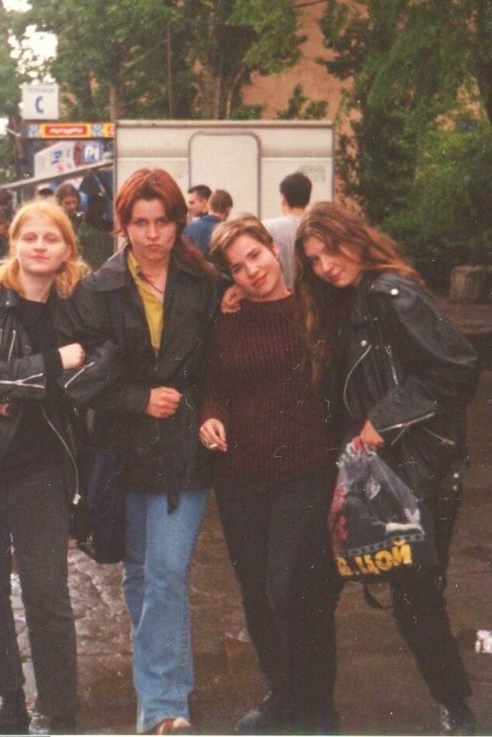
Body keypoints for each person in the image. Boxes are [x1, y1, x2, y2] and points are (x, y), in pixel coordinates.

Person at [294, 201, 479, 736]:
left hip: (409, 473)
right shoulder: (339, 301)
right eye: (314, 260)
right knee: (315, 586)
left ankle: (456, 709)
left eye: (332, 251)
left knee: (414, 595)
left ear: (355, 237)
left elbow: (458, 370)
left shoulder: (391, 295)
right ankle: (305, 708)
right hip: (360, 472)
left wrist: (385, 418)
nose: (326, 266)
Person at [61, 168, 219, 734]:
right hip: (122, 449)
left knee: (166, 573)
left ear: (179, 223)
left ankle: (162, 704)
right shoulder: (96, 290)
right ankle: (163, 680)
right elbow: (77, 380)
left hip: (184, 449)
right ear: (123, 225)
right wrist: (137, 398)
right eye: (140, 222)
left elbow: (218, 365)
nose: (152, 235)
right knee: (139, 572)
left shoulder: (206, 284)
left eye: (163, 222)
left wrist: (207, 411)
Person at [0, 199, 97, 736]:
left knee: (46, 594)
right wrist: (52, 365)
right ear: (13, 243)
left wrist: (13, 386)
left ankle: (59, 710)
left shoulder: (76, 308)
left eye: (50, 238)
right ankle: (9, 701)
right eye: (29, 236)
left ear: (67, 249)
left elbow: (92, 376)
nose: (39, 246)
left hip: (43, 470)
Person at [200, 215, 340, 734]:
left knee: (294, 589)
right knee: (256, 593)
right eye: (238, 268)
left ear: (274, 249)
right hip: (239, 476)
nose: (251, 271)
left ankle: (318, 706)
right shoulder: (227, 318)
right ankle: (282, 692)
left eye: (255, 256)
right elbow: (214, 384)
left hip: (304, 473)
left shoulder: (315, 308)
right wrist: (210, 415)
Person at [262, 172, 312, 289]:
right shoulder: (316, 228)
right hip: (311, 295)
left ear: (284, 199)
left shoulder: (266, 228)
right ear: (308, 199)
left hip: (279, 293)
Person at [183, 188, 233, 256]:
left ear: (208, 205)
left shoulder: (188, 229)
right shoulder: (227, 233)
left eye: (192, 203)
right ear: (228, 210)